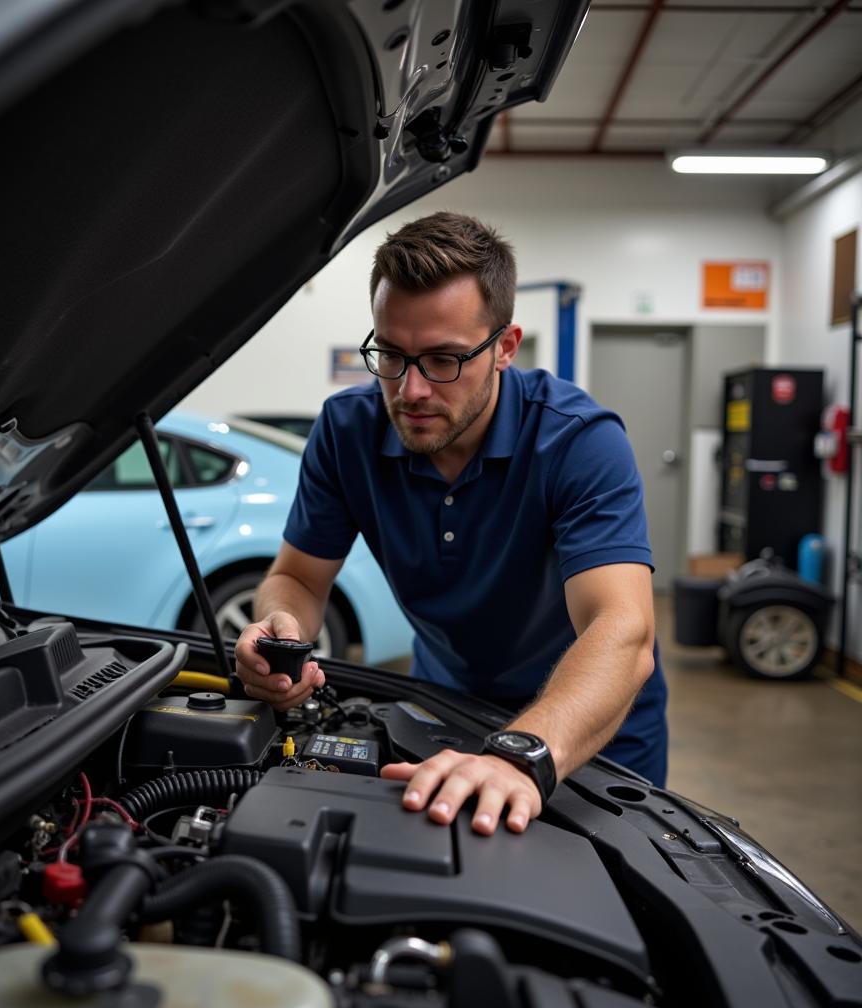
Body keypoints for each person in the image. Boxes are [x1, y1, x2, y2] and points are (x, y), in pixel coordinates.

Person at [234, 211, 668, 836]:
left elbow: (622, 630)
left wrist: (521, 755)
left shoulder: (579, 441)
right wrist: (282, 630)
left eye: (442, 359)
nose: (409, 390)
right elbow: (297, 576)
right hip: (445, 709)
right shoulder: (346, 430)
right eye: (390, 354)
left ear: (506, 349)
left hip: (587, 732)